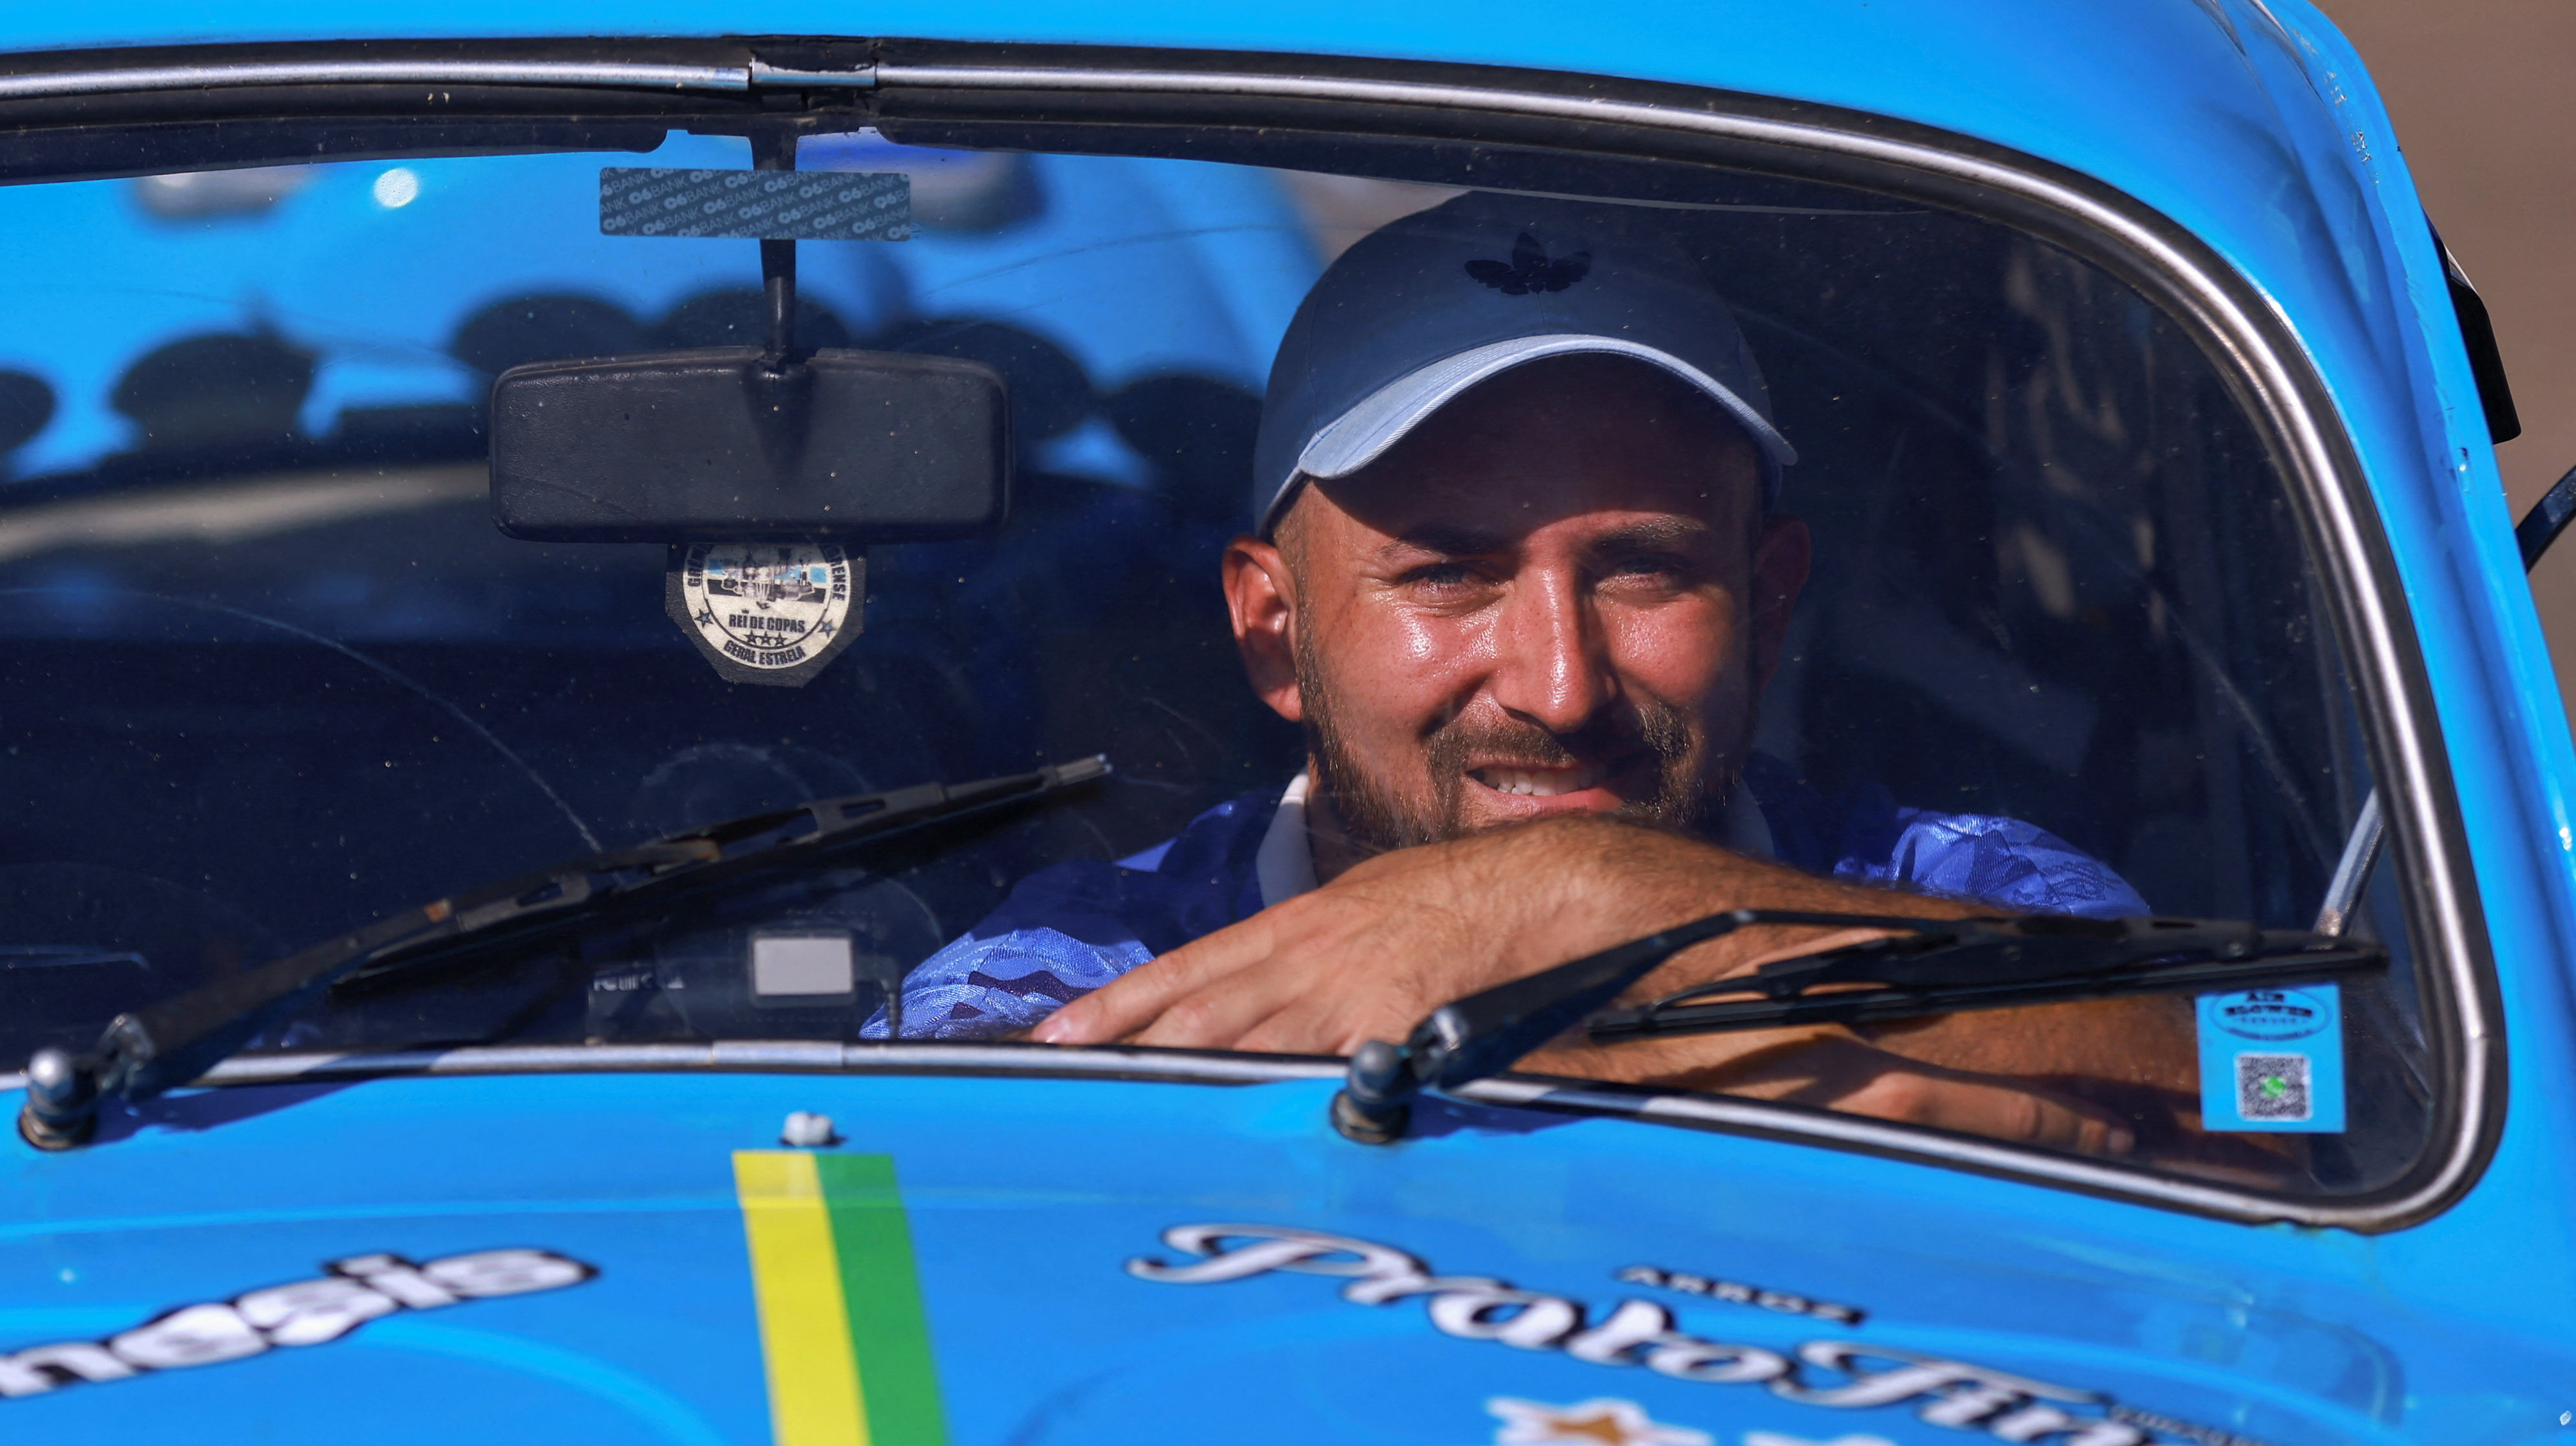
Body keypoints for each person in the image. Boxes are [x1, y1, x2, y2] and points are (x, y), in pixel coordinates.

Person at [879, 193, 2202, 1159]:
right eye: (1448, 574)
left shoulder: (1972, 889)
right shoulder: (1087, 968)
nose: (1561, 690)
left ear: (1768, 602)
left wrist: (1607, 912)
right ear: (1273, 631)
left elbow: (2276, 1071)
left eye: (1642, 570)